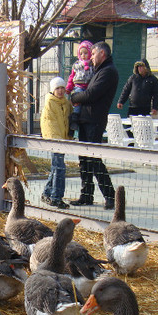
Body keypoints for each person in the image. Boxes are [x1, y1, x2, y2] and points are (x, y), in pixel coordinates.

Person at [69, 41, 118, 210]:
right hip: (86, 120)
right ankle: (86, 195)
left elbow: (91, 94)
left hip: (94, 121)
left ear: (102, 54)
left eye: (94, 53)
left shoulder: (108, 72)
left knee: (94, 159)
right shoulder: (98, 70)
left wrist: (74, 98)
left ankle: (111, 196)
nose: (91, 57)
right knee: (84, 160)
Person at [40, 76, 72, 209]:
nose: (60, 91)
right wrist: (56, 139)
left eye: (62, 88)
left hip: (63, 139)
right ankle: (56, 197)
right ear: (53, 90)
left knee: (55, 167)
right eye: (57, 88)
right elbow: (49, 123)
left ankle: (46, 192)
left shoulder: (66, 103)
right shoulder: (50, 103)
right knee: (60, 168)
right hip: (55, 140)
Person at [66, 40, 94, 132]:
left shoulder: (92, 64)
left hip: (89, 86)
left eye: (86, 53)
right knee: (77, 101)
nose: (83, 55)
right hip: (79, 85)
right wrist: (69, 88)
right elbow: (71, 77)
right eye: (81, 53)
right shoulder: (77, 65)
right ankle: (75, 117)